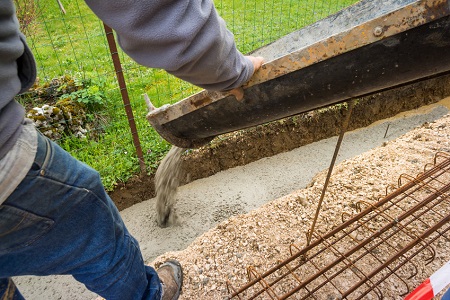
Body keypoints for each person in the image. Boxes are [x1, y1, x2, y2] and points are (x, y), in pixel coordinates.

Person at [0, 0, 263, 299]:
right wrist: (232, 72)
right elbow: (156, 11)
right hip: (6, 159)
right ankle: (148, 293)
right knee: (91, 224)